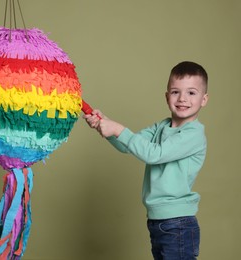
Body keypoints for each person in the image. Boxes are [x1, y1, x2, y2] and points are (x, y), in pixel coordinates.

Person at [83, 61, 209, 260]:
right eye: (175, 92)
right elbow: (128, 145)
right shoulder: (162, 126)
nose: (183, 98)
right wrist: (104, 125)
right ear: (167, 96)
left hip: (178, 224)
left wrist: (117, 129)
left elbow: (154, 154)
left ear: (204, 99)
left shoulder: (193, 134)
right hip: (157, 221)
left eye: (191, 93)